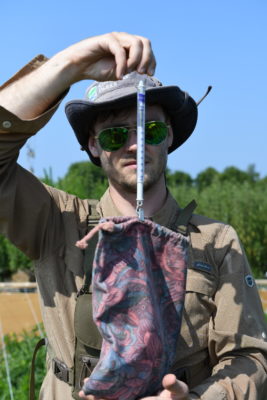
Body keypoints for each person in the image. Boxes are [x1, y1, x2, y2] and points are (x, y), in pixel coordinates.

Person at [0, 32, 266, 400]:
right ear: (93, 145)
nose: (136, 144)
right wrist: (69, 65)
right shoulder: (57, 221)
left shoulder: (216, 242)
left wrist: (199, 398)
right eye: (114, 135)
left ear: (169, 136)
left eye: (151, 129)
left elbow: (249, 357)